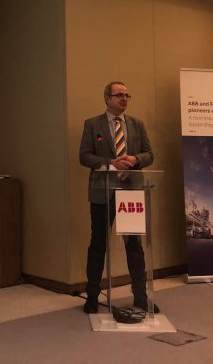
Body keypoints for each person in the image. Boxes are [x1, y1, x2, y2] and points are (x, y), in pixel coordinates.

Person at [79, 81, 154, 314]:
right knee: (98, 243)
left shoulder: (137, 124)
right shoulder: (93, 124)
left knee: (134, 245)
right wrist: (111, 163)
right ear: (107, 98)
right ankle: (92, 296)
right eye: (119, 95)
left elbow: (150, 154)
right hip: (102, 192)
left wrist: (135, 159)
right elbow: (84, 156)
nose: (124, 99)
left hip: (130, 194)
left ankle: (141, 297)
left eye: (127, 95)